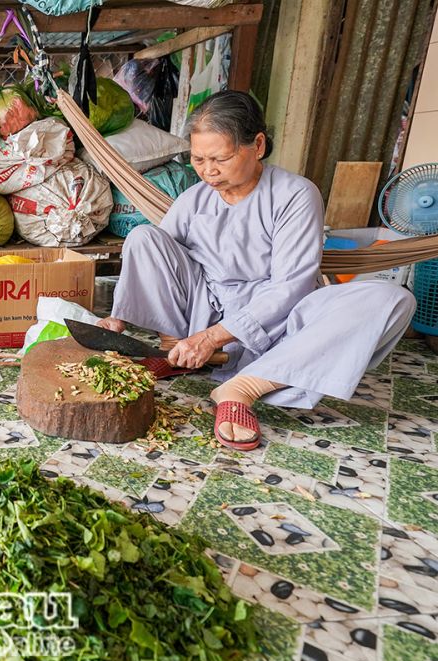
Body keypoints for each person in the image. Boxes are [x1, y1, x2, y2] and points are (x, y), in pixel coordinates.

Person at [98, 91, 415, 451]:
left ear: (258, 145)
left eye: (220, 158)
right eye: (198, 159)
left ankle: (244, 386)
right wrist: (117, 319)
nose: (208, 170)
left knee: (392, 299)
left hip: (280, 322)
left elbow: (290, 287)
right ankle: (175, 353)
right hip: (204, 313)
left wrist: (213, 338)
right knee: (143, 237)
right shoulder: (193, 199)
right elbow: (155, 259)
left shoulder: (296, 195)